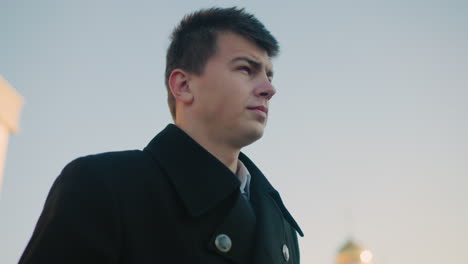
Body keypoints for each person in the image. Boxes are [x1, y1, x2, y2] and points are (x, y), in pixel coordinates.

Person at [20, 7, 303, 264]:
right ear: (183, 85)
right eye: (246, 69)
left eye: (269, 75)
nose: (269, 89)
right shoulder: (102, 185)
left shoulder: (281, 227)